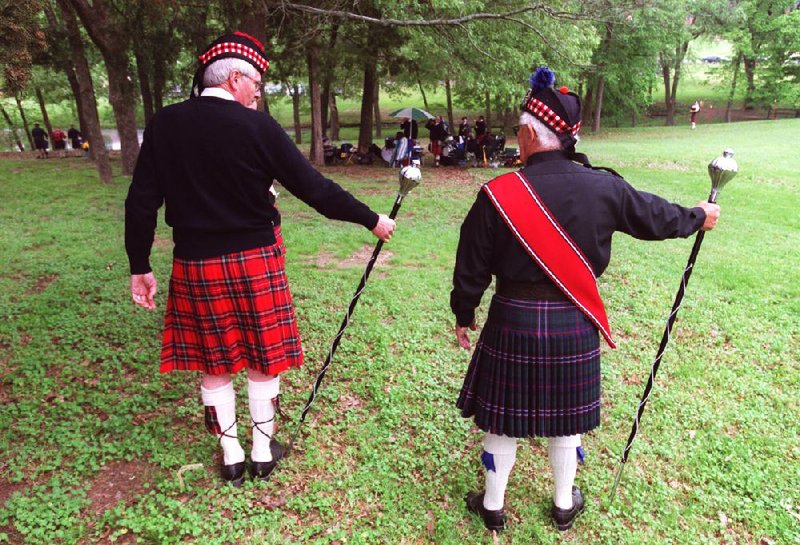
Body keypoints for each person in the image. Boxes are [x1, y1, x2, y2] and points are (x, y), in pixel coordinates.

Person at [450, 67, 720, 533]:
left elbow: (471, 261)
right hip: (573, 320)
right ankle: (562, 504)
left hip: (512, 315)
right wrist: (699, 216)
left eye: (519, 131)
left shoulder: (497, 193)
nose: (517, 139)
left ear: (532, 136)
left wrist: (464, 311)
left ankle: (493, 507)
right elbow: (654, 217)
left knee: (501, 420)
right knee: (563, 417)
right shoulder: (604, 186)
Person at [125, 32, 396, 487]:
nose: (258, 93)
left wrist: (139, 265)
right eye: (256, 83)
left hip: (196, 263)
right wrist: (371, 220)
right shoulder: (259, 127)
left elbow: (140, 201)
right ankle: (262, 449)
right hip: (255, 261)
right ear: (234, 79)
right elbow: (315, 190)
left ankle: (232, 455)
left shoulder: (164, 124)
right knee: (262, 357)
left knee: (214, 359)